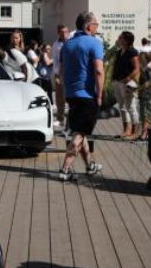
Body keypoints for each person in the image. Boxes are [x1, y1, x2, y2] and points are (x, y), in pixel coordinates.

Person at [57, 12, 104, 181]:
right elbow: (99, 71)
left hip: (71, 94)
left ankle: (90, 166)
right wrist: (99, 96)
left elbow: (61, 72)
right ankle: (65, 169)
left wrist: (68, 88)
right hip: (87, 95)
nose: (96, 28)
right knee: (79, 134)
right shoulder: (94, 43)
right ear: (87, 26)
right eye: (95, 25)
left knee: (80, 131)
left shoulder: (67, 44)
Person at [111, 31, 140, 139]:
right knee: (122, 107)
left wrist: (127, 79)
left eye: (121, 37)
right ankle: (126, 131)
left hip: (127, 83)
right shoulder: (119, 52)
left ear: (127, 40)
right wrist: (113, 78)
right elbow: (115, 66)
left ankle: (134, 132)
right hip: (117, 81)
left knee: (131, 107)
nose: (119, 38)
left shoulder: (132, 52)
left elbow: (137, 68)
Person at [52, 24, 71, 128]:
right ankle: (60, 119)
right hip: (59, 74)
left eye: (65, 32)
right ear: (58, 32)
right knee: (59, 97)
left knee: (71, 96)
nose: (64, 34)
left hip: (70, 73)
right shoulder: (56, 44)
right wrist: (57, 73)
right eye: (61, 32)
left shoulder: (72, 42)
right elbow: (55, 59)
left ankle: (70, 120)